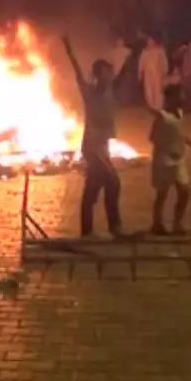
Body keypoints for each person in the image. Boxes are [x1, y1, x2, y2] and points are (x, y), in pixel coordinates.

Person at [62, 34, 123, 238]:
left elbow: (122, 75)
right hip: (92, 147)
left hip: (102, 145)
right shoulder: (90, 92)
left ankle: (88, 231)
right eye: (107, 73)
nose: (110, 76)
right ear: (98, 76)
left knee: (94, 187)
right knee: (113, 182)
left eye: (111, 73)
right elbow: (78, 73)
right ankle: (114, 227)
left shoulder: (109, 91)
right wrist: (70, 53)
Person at [148, 84, 191, 236]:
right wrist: (167, 150)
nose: (184, 98)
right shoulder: (162, 117)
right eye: (181, 95)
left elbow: (182, 134)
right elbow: (152, 138)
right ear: (171, 98)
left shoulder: (180, 113)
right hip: (163, 161)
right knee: (162, 194)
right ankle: (157, 224)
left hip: (178, 160)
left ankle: (177, 224)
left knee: (185, 191)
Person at [138, 36, 168, 112]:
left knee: (158, 90)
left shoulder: (159, 50)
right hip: (148, 74)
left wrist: (164, 71)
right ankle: (151, 106)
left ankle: (158, 107)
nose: (149, 42)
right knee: (148, 90)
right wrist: (140, 72)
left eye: (151, 41)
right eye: (148, 41)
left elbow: (164, 61)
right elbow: (141, 62)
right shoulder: (145, 51)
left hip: (157, 73)